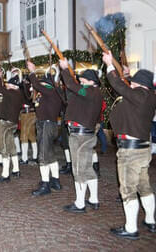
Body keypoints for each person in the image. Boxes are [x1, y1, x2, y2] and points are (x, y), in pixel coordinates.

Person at [103, 52, 156, 239]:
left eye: (133, 81)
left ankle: (131, 228)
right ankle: (150, 220)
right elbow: (126, 89)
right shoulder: (149, 96)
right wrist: (125, 75)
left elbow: (118, 86)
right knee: (144, 186)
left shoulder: (139, 95)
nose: (130, 84)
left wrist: (109, 65)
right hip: (142, 148)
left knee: (127, 189)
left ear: (139, 84)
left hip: (130, 151)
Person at [59, 59, 103, 213]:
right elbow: (72, 92)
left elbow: (72, 86)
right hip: (84, 134)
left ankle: (80, 203)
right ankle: (94, 199)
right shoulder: (90, 92)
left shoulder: (90, 92)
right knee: (88, 168)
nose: (81, 81)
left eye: (83, 79)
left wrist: (65, 69)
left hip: (81, 135)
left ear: (92, 81)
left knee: (78, 169)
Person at [27, 61, 63, 195]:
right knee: (50, 154)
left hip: (47, 125)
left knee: (42, 155)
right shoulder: (49, 93)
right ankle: (55, 180)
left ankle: (45, 184)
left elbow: (36, 84)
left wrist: (32, 71)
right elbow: (33, 94)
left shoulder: (51, 91)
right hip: (46, 124)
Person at [0, 69, 24, 183]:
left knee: (4, 147)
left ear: (15, 86)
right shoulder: (15, 93)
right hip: (12, 122)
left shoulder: (13, 93)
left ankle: (5, 174)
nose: (7, 86)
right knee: (11, 146)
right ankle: (16, 169)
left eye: (9, 84)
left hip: (7, 123)